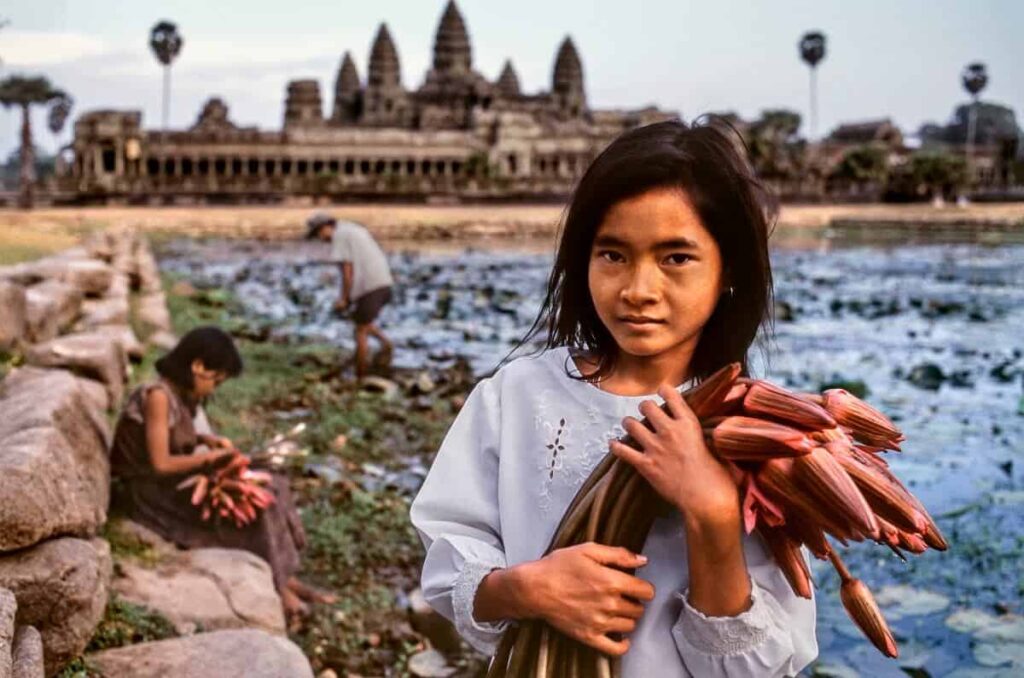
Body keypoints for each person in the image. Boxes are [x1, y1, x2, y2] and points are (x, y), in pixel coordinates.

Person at [409, 119, 817, 676]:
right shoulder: (518, 395)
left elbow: (757, 666)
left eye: (676, 258)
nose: (638, 290)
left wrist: (713, 512)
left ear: (729, 272)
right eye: (613, 255)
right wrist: (526, 588)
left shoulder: (757, 433)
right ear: (584, 260)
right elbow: (449, 565)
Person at [110, 326, 333, 628]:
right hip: (149, 493)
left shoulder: (180, 396)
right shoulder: (158, 397)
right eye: (215, 380)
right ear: (198, 366)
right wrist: (211, 458)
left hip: (168, 483)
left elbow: (177, 441)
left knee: (273, 484)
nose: (213, 389)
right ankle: (280, 590)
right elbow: (160, 463)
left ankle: (286, 576)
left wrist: (208, 441)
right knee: (257, 510)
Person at [307, 213, 395, 381]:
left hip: (371, 286)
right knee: (362, 322)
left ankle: (360, 375)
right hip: (383, 282)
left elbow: (347, 272)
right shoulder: (350, 229)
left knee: (360, 331)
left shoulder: (339, 236)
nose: (320, 239)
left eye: (319, 234)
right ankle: (386, 344)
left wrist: (344, 298)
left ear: (326, 227)